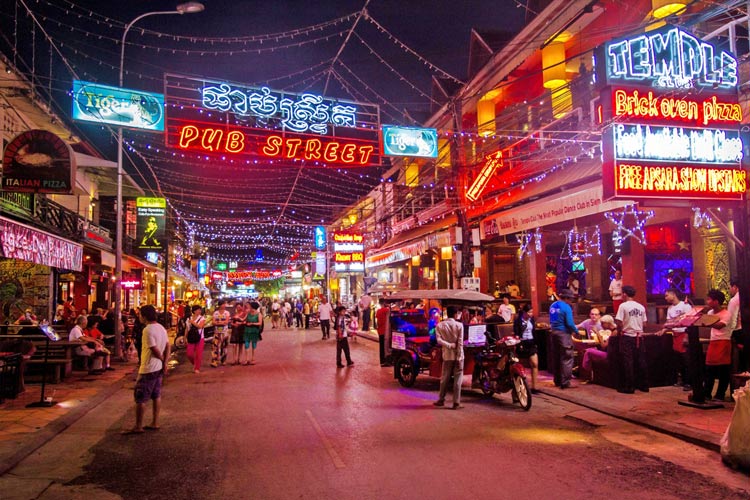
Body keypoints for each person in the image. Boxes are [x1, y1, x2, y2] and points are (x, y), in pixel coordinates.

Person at [123, 304, 169, 434]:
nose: (139, 317)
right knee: (156, 395)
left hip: (148, 367)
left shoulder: (147, 330)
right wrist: (165, 362)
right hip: (158, 367)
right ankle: (155, 422)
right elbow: (167, 346)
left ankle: (138, 426)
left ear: (144, 316)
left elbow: (154, 349)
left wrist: (162, 360)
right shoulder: (161, 328)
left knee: (140, 397)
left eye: (140, 315)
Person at [615, 285, 648, 394]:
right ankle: (644, 386)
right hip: (639, 336)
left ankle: (629, 387)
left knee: (628, 362)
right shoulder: (641, 307)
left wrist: (619, 330)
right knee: (641, 361)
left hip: (627, 336)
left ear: (624, 294)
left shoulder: (623, 306)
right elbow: (645, 323)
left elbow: (619, 321)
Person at [704, 289, 734, 402]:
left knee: (723, 370)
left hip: (723, 342)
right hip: (713, 342)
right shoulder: (710, 313)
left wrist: (705, 321)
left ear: (716, 301)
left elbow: (719, 325)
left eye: (709, 299)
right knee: (709, 369)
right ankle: (707, 393)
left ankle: (720, 395)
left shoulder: (726, 314)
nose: (707, 301)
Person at [661, 288, 693, 390]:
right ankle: (682, 380)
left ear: (673, 294)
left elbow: (690, 323)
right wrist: (662, 330)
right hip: (675, 334)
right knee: (678, 360)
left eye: (666, 295)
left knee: (686, 359)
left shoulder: (685, 305)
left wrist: (687, 336)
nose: (665, 298)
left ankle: (689, 382)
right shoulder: (670, 309)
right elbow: (669, 323)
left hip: (684, 333)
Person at [433, 305, 465, 409]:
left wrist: (448, 345)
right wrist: (459, 356)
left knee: (444, 378)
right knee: (458, 379)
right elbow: (460, 343)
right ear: (455, 314)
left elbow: (438, 340)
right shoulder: (459, 325)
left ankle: (441, 399)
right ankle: (456, 402)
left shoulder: (440, 325)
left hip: (447, 355)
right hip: (458, 356)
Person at [549, 289, 578, 389]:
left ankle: (557, 380)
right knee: (567, 357)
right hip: (563, 334)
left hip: (553, 333)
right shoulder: (566, 307)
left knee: (556, 357)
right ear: (566, 298)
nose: (571, 301)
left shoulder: (552, 305)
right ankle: (565, 382)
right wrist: (576, 331)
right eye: (570, 299)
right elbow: (570, 323)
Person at [581, 314, 617, 383]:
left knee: (588, 351)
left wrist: (597, 333)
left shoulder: (614, 332)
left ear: (607, 323)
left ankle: (587, 375)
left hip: (610, 356)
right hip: (610, 353)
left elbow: (604, 345)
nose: (602, 326)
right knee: (590, 350)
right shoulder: (615, 331)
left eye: (602, 324)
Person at [513, 303, 539, 393]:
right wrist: (517, 338)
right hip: (522, 343)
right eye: (529, 312)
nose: (531, 314)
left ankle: (534, 387)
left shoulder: (531, 320)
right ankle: (519, 387)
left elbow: (534, 330)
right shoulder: (518, 321)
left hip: (531, 342)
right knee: (520, 367)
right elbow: (516, 332)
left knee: (535, 364)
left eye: (532, 312)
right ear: (524, 312)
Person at [728, 280, 747, 373]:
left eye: (730, 287)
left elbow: (732, 319)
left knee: (739, 358)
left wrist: (730, 334)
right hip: (746, 329)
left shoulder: (734, 300)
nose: (729, 290)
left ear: (735, 287)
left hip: (738, 331)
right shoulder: (745, 297)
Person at [210, 300, 231, 368]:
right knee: (215, 346)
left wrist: (218, 323)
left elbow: (226, 321)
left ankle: (223, 360)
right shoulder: (215, 313)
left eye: (224, 304)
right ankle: (214, 360)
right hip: (216, 332)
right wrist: (220, 323)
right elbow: (213, 322)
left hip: (224, 332)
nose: (224, 306)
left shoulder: (227, 313)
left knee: (224, 346)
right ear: (220, 305)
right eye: (223, 304)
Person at [186, 305, 206, 374]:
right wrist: (184, 337)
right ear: (194, 311)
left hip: (199, 337)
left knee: (198, 353)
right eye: (198, 310)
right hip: (191, 337)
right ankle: (194, 363)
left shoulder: (202, 318)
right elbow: (187, 329)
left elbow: (200, 326)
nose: (199, 311)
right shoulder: (189, 318)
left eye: (200, 310)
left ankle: (197, 368)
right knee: (189, 354)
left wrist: (192, 322)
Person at [376, 299, 391, 366]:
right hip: (386, 331)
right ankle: (385, 361)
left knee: (381, 347)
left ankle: (382, 361)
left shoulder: (378, 311)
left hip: (380, 331)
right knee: (386, 346)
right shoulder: (387, 310)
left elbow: (378, 322)